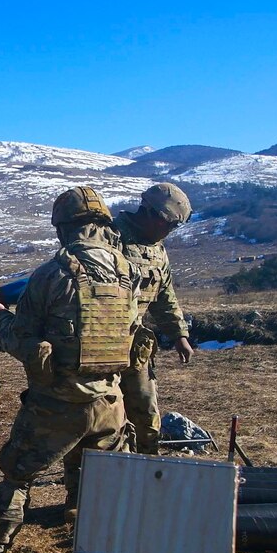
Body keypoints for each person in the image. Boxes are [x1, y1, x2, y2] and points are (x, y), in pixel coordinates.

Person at [0, 186, 138, 553]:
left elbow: (21, 340)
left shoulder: (53, 272)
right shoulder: (126, 271)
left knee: (16, 480)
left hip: (58, 405)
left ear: (63, 228)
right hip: (111, 402)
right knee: (110, 492)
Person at [112, 182, 194, 454]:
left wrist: (179, 335)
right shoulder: (110, 237)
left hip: (134, 347)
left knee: (146, 413)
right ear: (149, 212)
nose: (169, 232)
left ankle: (147, 469)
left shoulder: (157, 249)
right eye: (168, 224)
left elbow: (164, 293)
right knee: (103, 418)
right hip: (99, 344)